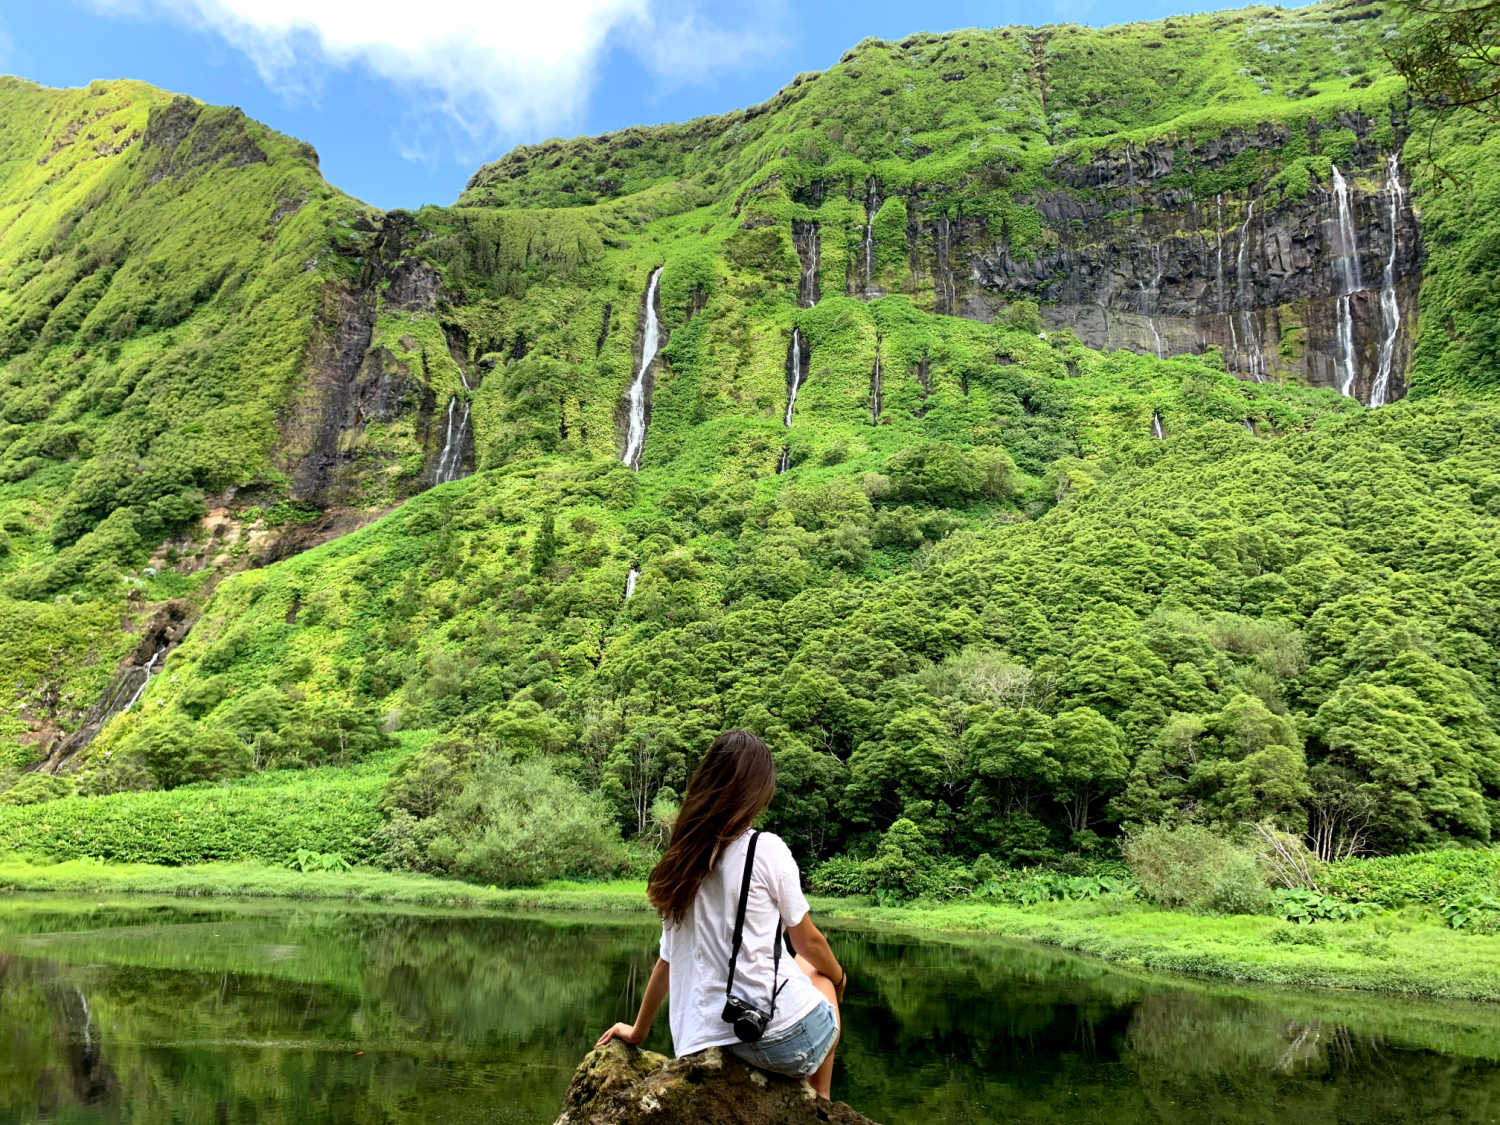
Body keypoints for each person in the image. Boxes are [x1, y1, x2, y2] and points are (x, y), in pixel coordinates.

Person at [596, 730, 847, 1099]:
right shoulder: (766, 849)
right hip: (777, 1039)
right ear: (756, 791)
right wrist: (839, 979)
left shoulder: (681, 863)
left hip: (698, 1042)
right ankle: (820, 1101)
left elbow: (667, 962)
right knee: (820, 977)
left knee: (803, 970)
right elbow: (807, 941)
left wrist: (637, 1031)